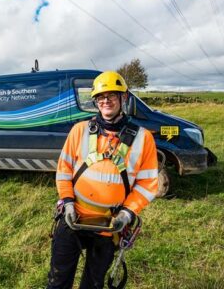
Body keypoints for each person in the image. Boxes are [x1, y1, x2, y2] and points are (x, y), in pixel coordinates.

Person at [47, 71, 158, 289]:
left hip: (110, 225)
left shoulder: (143, 138)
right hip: (73, 218)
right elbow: (64, 171)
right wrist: (68, 202)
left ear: (123, 98)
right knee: (58, 280)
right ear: (95, 102)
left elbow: (147, 184)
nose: (106, 101)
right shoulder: (79, 131)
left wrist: (127, 214)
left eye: (112, 95)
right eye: (100, 97)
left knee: (93, 284)